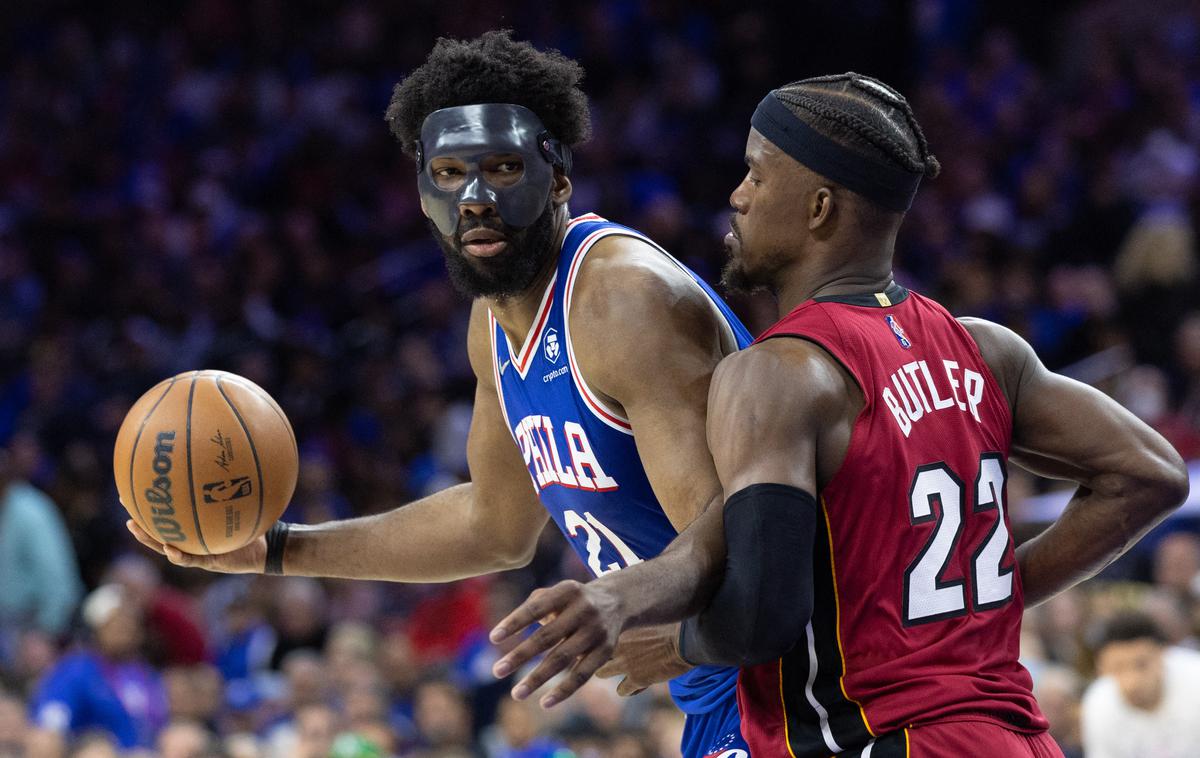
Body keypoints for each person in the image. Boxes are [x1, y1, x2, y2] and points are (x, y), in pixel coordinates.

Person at [490, 73, 1190, 757]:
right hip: (1014, 734)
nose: (737, 196)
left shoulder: (779, 373)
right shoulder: (984, 349)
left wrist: (675, 645)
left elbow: (763, 613)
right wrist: (986, 607)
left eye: (757, 176)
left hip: (881, 735)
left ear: (819, 208)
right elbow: (1152, 473)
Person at [126, 30, 752, 757]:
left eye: (503, 168)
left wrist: (650, 620)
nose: (475, 199)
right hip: (719, 696)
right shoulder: (493, 323)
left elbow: (740, 531)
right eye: (450, 173)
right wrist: (276, 550)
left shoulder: (621, 299)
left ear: (557, 178)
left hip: (791, 679)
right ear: (422, 194)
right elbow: (493, 526)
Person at [30, 584, 169, 750]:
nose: (126, 630)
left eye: (130, 623)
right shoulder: (75, 671)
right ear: (96, 629)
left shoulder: (146, 673)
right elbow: (51, 723)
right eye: (116, 624)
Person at [1081, 611, 1200, 758]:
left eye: (1141, 665)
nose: (1132, 682)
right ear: (1102, 668)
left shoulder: (1196, 678)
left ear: (1163, 655)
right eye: (1117, 668)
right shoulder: (1098, 702)